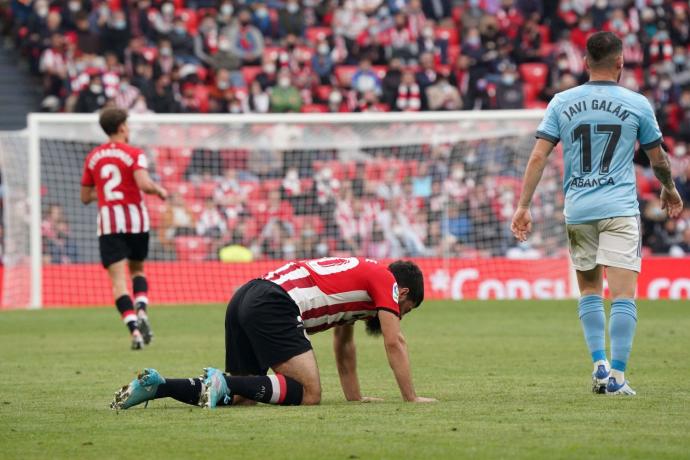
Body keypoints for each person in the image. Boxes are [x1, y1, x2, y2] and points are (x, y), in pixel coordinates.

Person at [511, 32, 683, 396]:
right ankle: (617, 376)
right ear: (621, 63)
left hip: (579, 209)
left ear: (585, 63)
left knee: (589, 289)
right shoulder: (637, 103)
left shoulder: (561, 101)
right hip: (619, 209)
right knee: (622, 295)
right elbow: (658, 159)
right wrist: (668, 188)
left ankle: (599, 365)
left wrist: (523, 205)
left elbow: (539, 156)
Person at [110, 257, 437, 409]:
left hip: (247, 295)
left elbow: (344, 344)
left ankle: (159, 386)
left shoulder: (361, 276)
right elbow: (395, 342)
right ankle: (222, 380)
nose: (398, 316)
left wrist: (355, 397)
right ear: (403, 293)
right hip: (274, 302)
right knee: (310, 393)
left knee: (240, 396)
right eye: (404, 311)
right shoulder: (387, 281)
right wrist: (411, 398)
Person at [80, 108, 168, 350]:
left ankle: (134, 332)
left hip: (109, 224)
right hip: (136, 221)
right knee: (137, 271)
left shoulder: (93, 157)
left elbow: (85, 197)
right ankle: (142, 308)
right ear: (121, 127)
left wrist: (107, 195)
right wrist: (159, 190)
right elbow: (143, 184)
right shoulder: (134, 153)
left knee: (118, 283)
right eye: (127, 125)